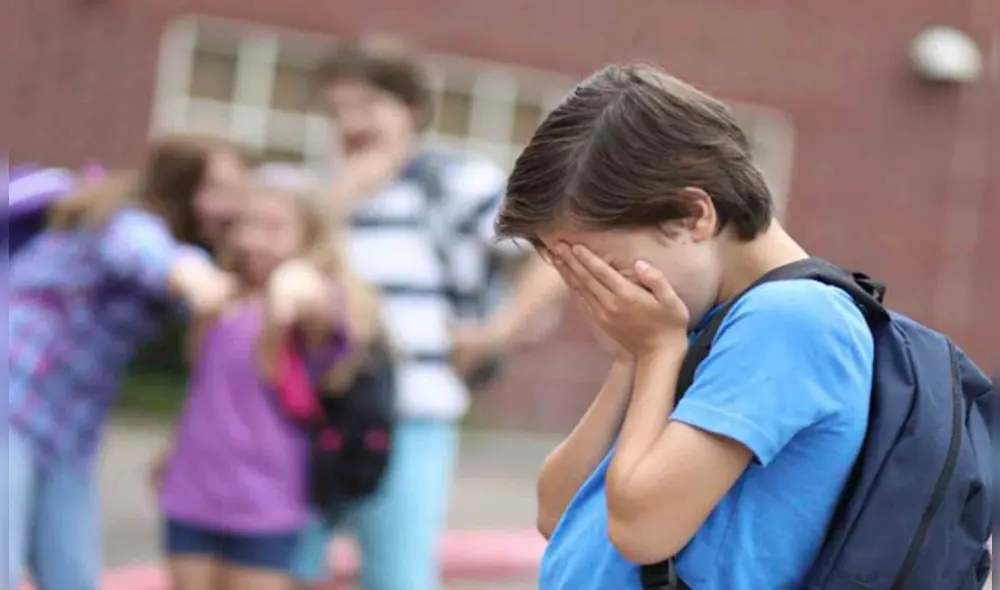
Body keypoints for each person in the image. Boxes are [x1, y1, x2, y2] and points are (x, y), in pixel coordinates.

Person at [493, 64, 874, 589]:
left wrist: (653, 353)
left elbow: (642, 529)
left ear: (694, 215)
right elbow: (558, 512)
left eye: (606, 265)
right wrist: (635, 356)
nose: (597, 291)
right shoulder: (695, 324)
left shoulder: (789, 321)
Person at [289, 37, 565, 590]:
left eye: (366, 106)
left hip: (412, 415)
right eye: (337, 110)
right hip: (305, 415)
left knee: (397, 575)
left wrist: (498, 333)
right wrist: (349, 190)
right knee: (285, 568)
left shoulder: (454, 184)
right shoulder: (307, 193)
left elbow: (554, 251)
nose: (350, 123)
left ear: (410, 109)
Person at [6, 134, 250, 590]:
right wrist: (192, 277)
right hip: (9, 404)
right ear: (180, 186)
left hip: (68, 432)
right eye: (220, 188)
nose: (233, 205)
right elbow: (146, 253)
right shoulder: (120, 222)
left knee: (73, 577)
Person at [156, 165, 371, 590]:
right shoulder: (219, 298)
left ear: (311, 237)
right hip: (191, 493)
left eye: (274, 227)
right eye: (247, 223)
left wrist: (293, 285)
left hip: (265, 504)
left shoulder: (313, 305)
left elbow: (310, 298)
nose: (252, 239)